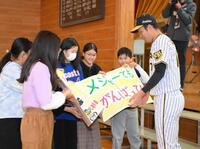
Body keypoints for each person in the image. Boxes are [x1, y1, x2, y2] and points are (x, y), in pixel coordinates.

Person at [130, 14, 185, 149]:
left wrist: (141, 92)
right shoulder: (163, 41)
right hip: (170, 96)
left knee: (166, 145)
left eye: (141, 31)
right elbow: (160, 73)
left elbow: (160, 71)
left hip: (167, 96)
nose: (140, 36)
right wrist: (148, 91)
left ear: (149, 27)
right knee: (171, 144)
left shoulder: (160, 41)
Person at [18, 31, 70, 149]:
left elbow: (42, 95)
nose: (59, 53)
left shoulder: (35, 65)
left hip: (36, 118)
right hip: (38, 119)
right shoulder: (41, 68)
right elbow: (46, 103)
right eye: (57, 49)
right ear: (49, 49)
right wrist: (64, 94)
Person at [111, 47, 149, 149]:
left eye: (126, 58)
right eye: (120, 58)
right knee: (117, 137)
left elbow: (147, 79)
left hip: (132, 109)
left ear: (131, 58)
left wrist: (137, 66)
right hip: (118, 110)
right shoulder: (114, 73)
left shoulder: (135, 71)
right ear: (118, 59)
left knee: (134, 136)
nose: (123, 61)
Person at [0, 37, 32, 149]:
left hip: (14, 118)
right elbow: (26, 88)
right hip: (8, 119)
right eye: (30, 54)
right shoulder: (11, 69)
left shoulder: (16, 68)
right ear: (23, 54)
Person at [53, 37, 83, 149]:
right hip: (60, 113)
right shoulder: (56, 67)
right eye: (72, 51)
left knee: (72, 144)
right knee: (60, 144)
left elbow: (82, 86)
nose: (74, 54)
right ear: (63, 51)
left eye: (76, 52)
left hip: (74, 113)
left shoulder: (77, 66)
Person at [162, 0, 196, 90]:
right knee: (168, 60)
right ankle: (168, 83)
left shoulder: (191, 5)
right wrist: (169, 3)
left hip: (182, 38)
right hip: (171, 37)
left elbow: (188, 20)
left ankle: (180, 85)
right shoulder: (173, 3)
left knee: (181, 62)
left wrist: (180, 8)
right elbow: (164, 15)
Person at [78, 42, 102, 149]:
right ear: (83, 53)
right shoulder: (78, 66)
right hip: (80, 107)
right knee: (82, 139)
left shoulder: (97, 68)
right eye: (89, 54)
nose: (91, 57)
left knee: (94, 139)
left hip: (93, 107)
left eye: (94, 55)